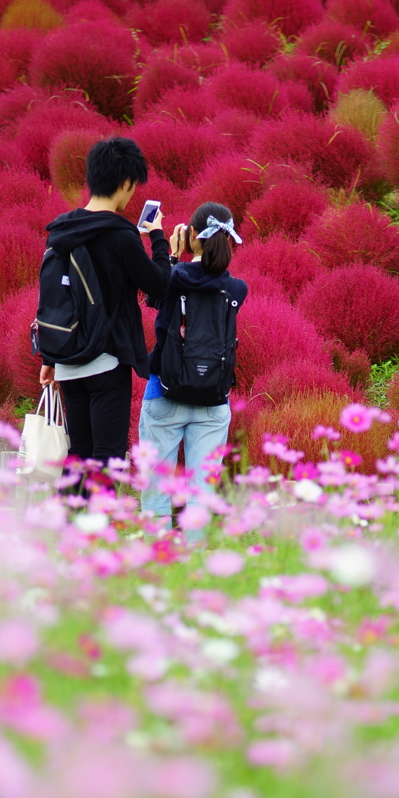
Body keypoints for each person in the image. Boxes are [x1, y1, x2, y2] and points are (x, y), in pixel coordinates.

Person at [38, 136, 176, 467]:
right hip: (106, 360)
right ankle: (97, 519)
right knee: (107, 457)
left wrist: (49, 357)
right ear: (126, 182)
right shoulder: (118, 234)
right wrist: (158, 238)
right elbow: (159, 283)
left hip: (68, 360)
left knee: (79, 456)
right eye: (133, 186)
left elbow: (53, 294)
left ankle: (69, 518)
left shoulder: (61, 230)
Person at [139, 201, 248, 523]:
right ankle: (197, 561)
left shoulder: (174, 277)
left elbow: (154, 298)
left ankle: (156, 561)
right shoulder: (237, 288)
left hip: (165, 391)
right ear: (228, 239)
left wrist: (172, 254)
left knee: (156, 488)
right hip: (214, 398)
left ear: (192, 236)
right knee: (203, 493)